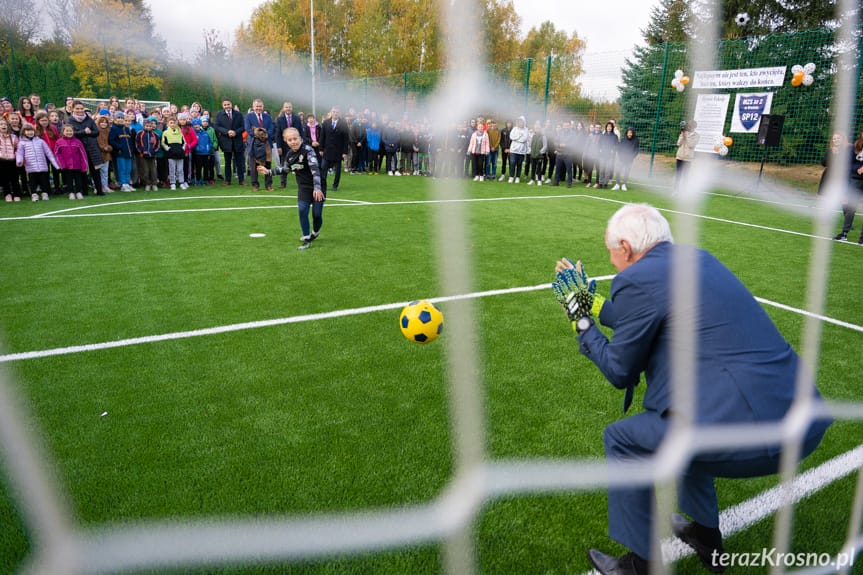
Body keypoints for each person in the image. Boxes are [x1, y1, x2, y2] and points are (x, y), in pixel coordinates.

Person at [550, 203, 832, 575]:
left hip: (759, 430)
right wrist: (595, 305)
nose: (611, 260)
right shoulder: (698, 259)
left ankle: (642, 565)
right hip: (801, 417)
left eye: (611, 251)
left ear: (626, 247)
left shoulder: (637, 278)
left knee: (622, 440)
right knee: (681, 426)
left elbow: (619, 370)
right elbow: (648, 316)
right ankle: (706, 537)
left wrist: (582, 322)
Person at [257, 127, 325, 251]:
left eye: (295, 138)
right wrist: (269, 171)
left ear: (300, 138)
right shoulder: (289, 156)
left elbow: (315, 170)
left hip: (318, 185)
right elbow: (285, 169)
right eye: (290, 140)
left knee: (317, 214)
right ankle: (306, 238)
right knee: (302, 210)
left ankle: (315, 232)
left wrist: (317, 188)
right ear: (286, 141)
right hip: (303, 187)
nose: (293, 142)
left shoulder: (308, 150)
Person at [66, 100, 106, 196]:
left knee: (95, 170)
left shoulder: (89, 119)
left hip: (92, 148)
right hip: (79, 149)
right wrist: (84, 132)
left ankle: (99, 190)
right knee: (82, 170)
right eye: (77, 108)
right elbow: (72, 134)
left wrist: (89, 132)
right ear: (73, 109)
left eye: (81, 108)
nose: (80, 110)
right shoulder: (70, 120)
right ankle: (84, 191)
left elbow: (96, 132)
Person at [830, 130, 863, 243]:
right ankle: (844, 233)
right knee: (850, 207)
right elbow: (848, 165)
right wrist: (857, 169)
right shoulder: (855, 146)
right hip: (856, 180)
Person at [16, 123, 60, 201]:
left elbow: (48, 153)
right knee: (32, 182)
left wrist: (56, 165)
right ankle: (34, 194)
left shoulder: (40, 141)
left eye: (31, 130)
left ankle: (44, 193)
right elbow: (20, 153)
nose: (30, 132)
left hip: (42, 166)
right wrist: (19, 161)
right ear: (23, 132)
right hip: (31, 167)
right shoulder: (22, 143)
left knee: (44, 181)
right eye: (27, 131)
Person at [214, 98, 247, 186]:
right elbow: (216, 126)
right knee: (227, 162)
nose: (227, 106)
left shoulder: (238, 114)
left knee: (239, 162)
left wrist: (235, 132)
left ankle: (241, 180)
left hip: (237, 141)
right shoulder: (219, 114)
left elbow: (243, 126)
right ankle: (227, 180)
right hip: (226, 142)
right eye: (225, 105)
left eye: (228, 104)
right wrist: (227, 132)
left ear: (231, 104)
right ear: (222, 105)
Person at [54, 124, 90, 200]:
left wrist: (84, 165)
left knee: (78, 179)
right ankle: (71, 193)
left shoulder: (78, 142)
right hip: (66, 166)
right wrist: (62, 164)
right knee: (69, 180)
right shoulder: (59, 142)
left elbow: (83, 154)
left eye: (70, 131)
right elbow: (57, 154)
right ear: (63, 132)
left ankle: (78, 192)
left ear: (73, 132)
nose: (69, 132)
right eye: (67, 131)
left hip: (77, 165)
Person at [319, 107, 349, 193]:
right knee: (323, 168)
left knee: (338, 171)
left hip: (338, 151)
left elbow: (346, 138)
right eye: (334, 112)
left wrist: (345, 152)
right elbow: (322, 136)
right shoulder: (325, 123)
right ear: (331, 113)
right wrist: (321, 149)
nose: (335, 113)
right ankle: (323, 185)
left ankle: (335, 185)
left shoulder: (343, 124)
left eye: (337, 112)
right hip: (326, 150)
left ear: (339, 113)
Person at [674, 120, 699, 195]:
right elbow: (678, 144)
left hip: (688, 158)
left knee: (686, 175)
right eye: (689, 125)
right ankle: (675, 190)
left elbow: (691, 145)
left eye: (691, 126)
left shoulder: (696, 135)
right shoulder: (683, 133)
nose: (690, 127)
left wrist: (686, 136)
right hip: (680, 157)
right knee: (678, 174)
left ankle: (684, 191)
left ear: (694, 127)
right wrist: (682, 136)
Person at [507, 116, 528, 183]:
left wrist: (516, 138)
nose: (520, 123)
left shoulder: (526, 130)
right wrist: (519, 136)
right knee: (512, 162)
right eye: (519, 121)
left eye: (521, 122)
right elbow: (511, 137)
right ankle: (511, 177)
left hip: (521, 151)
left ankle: (517, 177)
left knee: (519, 164)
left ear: (524, 122)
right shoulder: (514, 129)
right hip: (513, 150)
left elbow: (524, 139)